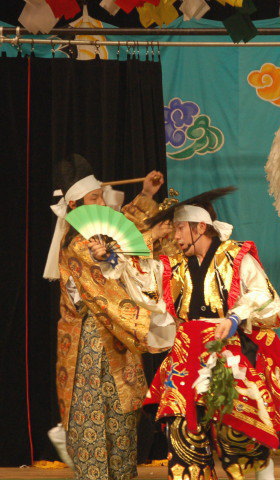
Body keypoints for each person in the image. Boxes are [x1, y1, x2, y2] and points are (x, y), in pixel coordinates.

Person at [140, 188, 280, 480]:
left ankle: (262, 472)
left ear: (200, 227)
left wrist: (235, 317)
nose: (176, 236)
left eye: (180, 228)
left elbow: (265, 296)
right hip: (187, 352)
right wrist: (111, 262)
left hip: (226, 347)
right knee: (181, 426)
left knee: (236, 423)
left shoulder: (236, 256)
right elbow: (144, 282)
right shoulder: (175, 264)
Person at [45, 153, 173, 480]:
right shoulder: (76, 243)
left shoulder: (101, 234)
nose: (102, 203)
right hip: (89, 339)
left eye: (101, 196)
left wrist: (146, 194)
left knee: (121, 413)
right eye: (94, 198)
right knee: (93, 412)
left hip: (113, 335)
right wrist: (151, 238)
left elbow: (126, 224)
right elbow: (106, 278)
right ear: (74, 205)